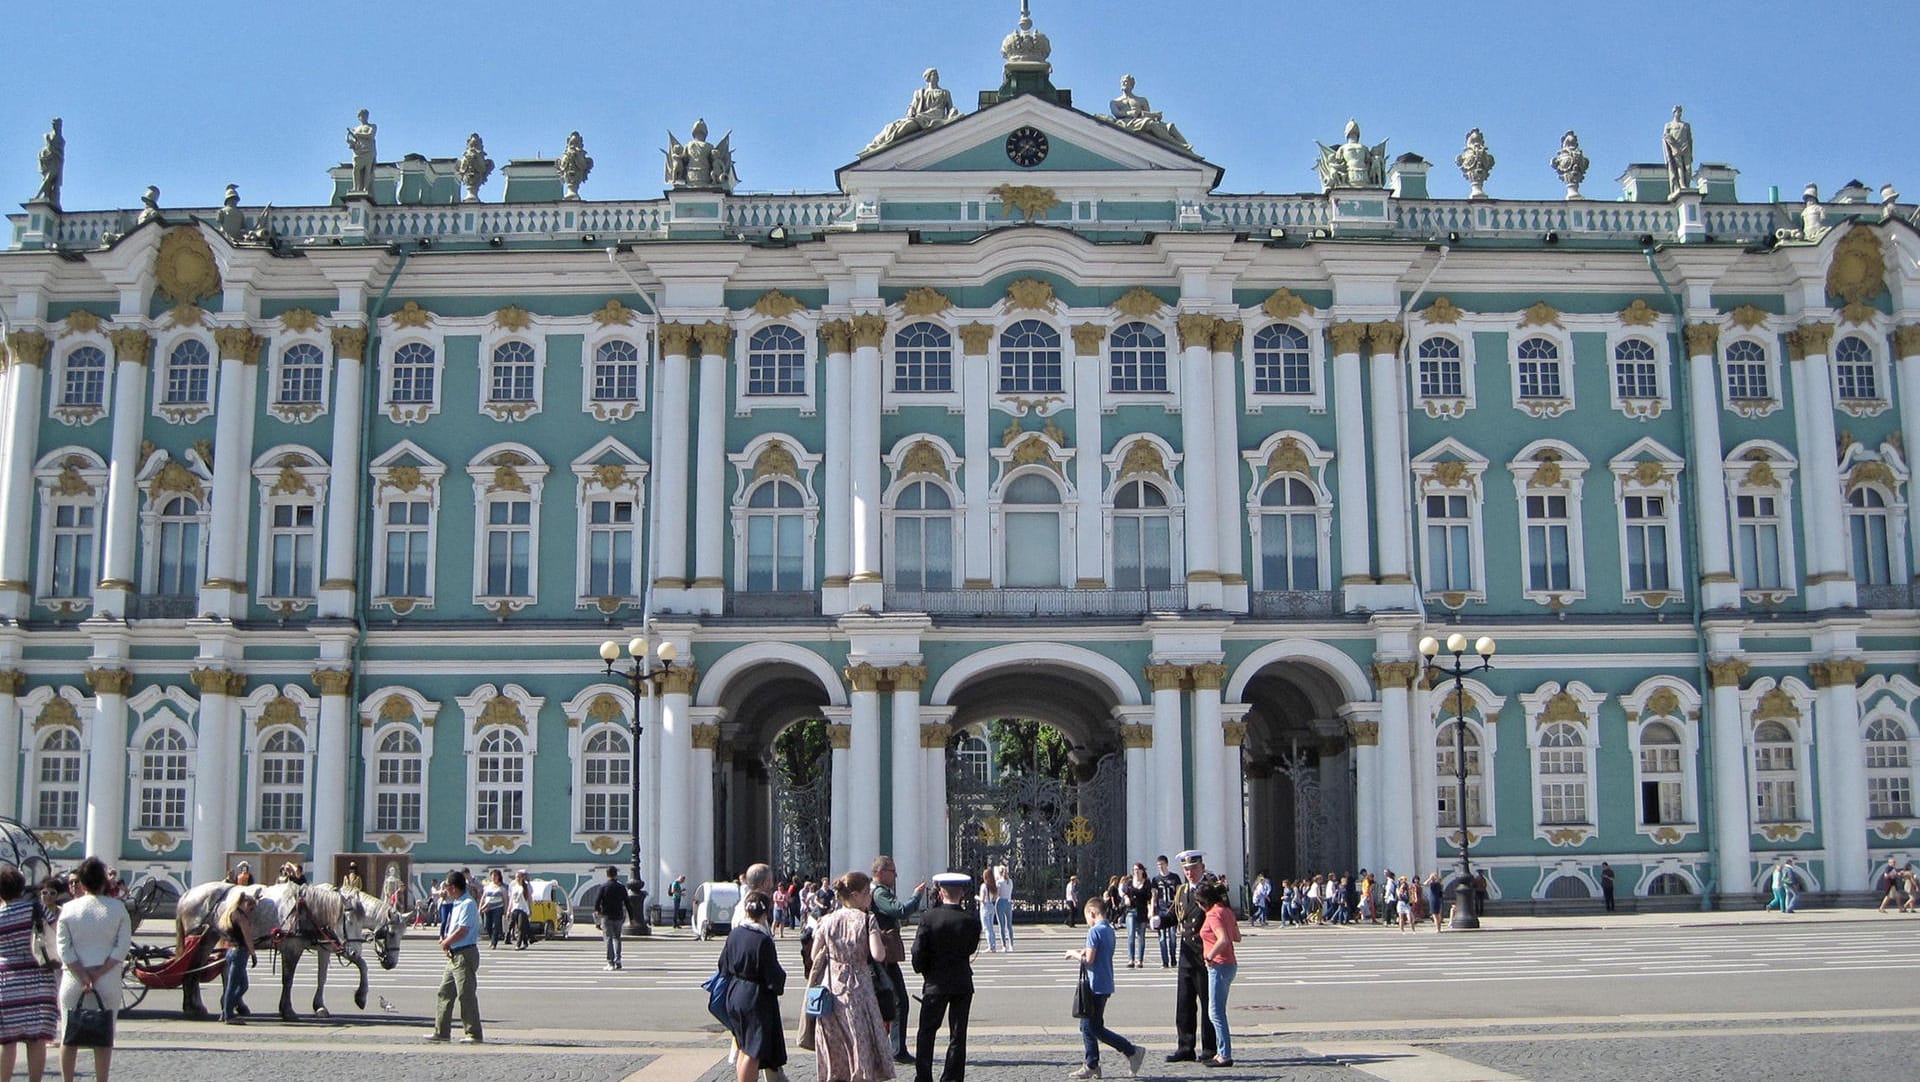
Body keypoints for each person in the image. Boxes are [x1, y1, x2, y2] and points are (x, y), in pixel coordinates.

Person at [807, 871, 894, 1081]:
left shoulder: (827, 920)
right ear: (855, 895)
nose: (869, 897)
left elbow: (813, 954)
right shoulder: (867, 920)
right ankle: (861, 1075)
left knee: (835, 1039)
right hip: (859, 986)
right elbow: (878, 954)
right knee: (860, 1037)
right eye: (866, 893)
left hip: (831, 987)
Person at [54, 858, 129, 1082]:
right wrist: (98, 973)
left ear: (82, 884)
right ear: (104, 882)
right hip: (106, 979)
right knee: (104, 1037)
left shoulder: (68, 909)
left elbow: (63, 948)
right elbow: (121, 947)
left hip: (73, 979)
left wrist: (82, 974)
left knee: (69, 1036)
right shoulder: (118, 908)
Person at [1065, 897, 1145, 1079]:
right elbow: (1099, 952)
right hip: (1106, 982)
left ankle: (1130, 1051)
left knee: (1093, 1028)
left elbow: (1089, 960)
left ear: (1092, 913)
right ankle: (1092, 1063)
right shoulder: (1109, 929)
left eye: (1087, 917)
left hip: (1095, 985)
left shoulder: (1094, 931)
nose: (1086, 921)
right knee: (1088, 1026)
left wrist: (1074, 954)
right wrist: (1085, 950)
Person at [911, 873, 980, 1082]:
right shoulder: (970, 919)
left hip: (935, 983)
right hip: (961, 982)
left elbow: (918, 951)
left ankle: (923, 1077)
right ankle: (952, 1078)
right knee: (958, 1035)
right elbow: (970, 948)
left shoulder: (929, 917)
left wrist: (923, 971)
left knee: (926, 1032)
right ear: (962, 893)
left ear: (941, 892)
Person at [718, 891, 787, 1082]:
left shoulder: (735, 933)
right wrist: (779, 983)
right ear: (766, 913)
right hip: (755, 997)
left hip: (734, 993)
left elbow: (723, 964)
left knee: (742, 1045)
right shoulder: (763, 939)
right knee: (754, 1050)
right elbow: (772, 975)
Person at [0, 864, 57, 1082]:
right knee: (37, 1039)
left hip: (6, 980)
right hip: (38, 976)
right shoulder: (34, 908)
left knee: (7, 1040)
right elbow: (55, 929)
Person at [869, 856, 925, 1065]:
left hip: (882, 955)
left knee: (888, 1001)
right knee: (898, 1001)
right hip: (884, 956)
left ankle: (888, 1048)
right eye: (893, 871)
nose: (896, 876)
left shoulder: (875, 890)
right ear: (881, 872)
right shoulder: (880, 892)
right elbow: (900, 911)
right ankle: (896, 1050)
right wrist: (916, 896)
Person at [1165, 851, 1217, 1064]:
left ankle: (1209, 1048)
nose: (1190, 873)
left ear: (1202, 868)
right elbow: (1174, 915)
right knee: (1184, 1002)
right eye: (1186, 869)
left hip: (1206, 953)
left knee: (1207, 1003)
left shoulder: (1212, 891)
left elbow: (1218, 916)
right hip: (1186, 953)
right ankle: (1185, 1046)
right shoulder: (1181, 891)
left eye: (1193, 869)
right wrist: (1160, 920)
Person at [427, 869, 482, 1044]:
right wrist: (446, 940)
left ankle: (473, 1033)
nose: (445, 890)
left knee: (466, 994)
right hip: (453, 954)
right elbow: (454, 928)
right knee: (444, 992)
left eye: (447, 886)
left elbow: (463, 930)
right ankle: (441, 1031)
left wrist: (447, 941)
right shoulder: (458, 902)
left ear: (453, 887)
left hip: (464, 953)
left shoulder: (467, 904)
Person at [1198, 880, 1241, 1069]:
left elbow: (1223, 939)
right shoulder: (1227, 911)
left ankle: (1224, 1054)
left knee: (1215, 1012)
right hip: (1230, 964)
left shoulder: (1214, 914)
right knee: (1217, 1010)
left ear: (1204, 902)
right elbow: (1237, 937)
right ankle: (1221, 1052)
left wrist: (1210, 955)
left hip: (1219, 965)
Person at [216, 890, 255, 1025]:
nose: (251, 911)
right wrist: (253, 953)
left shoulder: (229, 914)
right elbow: (248, 937)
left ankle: (227, 1009)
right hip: (239, 952)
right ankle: (228, 1015)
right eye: (251, 907)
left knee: (242, 985)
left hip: (231, 951)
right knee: (233, 986)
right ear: (245, 904)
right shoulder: (241, 917)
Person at [596, 866, 629, 971]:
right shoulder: (621, 887)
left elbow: (597, 902)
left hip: (606, 916)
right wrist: (631, 917)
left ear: (607, 875)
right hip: (618, 916)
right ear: (616, 874)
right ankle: (618, 960)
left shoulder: (603, 887)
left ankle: (610, 962)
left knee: (608, 939)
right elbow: (627, 902)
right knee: (617, 938)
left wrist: (598, 911)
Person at [1149, 856, 1179, 968]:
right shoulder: (1155, 880)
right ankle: (1165, 961)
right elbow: (1154, 896)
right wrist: (1152, 911)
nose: (1160, 867)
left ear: (1167, 864)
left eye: (1162, 864)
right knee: (1162, 937)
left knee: (1172, 936)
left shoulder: (1174, 877)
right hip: (1160, 910)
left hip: (1172, 909)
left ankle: (1173, 958)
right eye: (1158, 865)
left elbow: (1178, 893)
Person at [1662, 105, 1694, 194]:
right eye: (1677, 111)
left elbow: (1690, 139)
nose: (1679, 113)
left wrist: (1690, 151)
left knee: (1688, 169)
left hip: (1686, 148)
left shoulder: (1686, 125)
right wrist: (1675, 146)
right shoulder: (1669, 125)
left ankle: (1687, 185)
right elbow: (1666, 137)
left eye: (1680, 112)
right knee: (1679, 167)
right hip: (1675, 149)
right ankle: (1682, 185)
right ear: (1674, 113)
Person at [346, 109, 377, 196]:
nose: (363, 117)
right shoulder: (356, 128)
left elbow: (370, 135)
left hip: (368, 150)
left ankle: (365, 189)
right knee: (355, 169)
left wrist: (357, 134)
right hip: (358, 151)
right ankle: (355, 188)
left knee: (368, 170)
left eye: (365, 115)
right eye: (361, 115)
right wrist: (350, 140)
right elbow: (354, 140)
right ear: (359, 117)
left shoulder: (372, 126)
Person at [479, 869, 506, 949]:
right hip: (487, 908)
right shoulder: (488, 886)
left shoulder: (502, 887)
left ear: (499, 877)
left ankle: (494, 942)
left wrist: (506, 909)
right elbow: (483, 897)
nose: (493, 877)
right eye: (492, 875)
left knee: (495, 925)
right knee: (487, 925)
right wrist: (480, 907)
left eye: (495, 876)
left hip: (498, 908)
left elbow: (505, 899)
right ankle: (492, 939)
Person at [977, 867, 1000, 953]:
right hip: (991, 905)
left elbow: (982, 899)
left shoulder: (984, 886)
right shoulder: (994, 886)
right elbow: (995, 897)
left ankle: (990, 946)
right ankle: (993, 945)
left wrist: (976, 897)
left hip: (985, 906)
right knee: (991, 927)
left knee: (986, 928)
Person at [507, 870, 532, 946]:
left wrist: (530, 909)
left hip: (523, 909)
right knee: (517, 926)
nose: (517, 878)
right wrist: (509, 910)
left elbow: (529, 899)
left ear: (522, 878)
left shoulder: (526, 887)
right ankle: (526, 942)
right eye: (516, 877)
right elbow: (511, 899)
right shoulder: (514, 887)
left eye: (519, 877)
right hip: (515, 909)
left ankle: (518, 944)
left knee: (521, 927)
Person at [992, 866, 1013, 951]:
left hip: (1000, 902)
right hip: (1008, 902)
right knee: (1009, 925)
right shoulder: (1010, 881)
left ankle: (1004, 945)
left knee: (1002, 925)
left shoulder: (999, 882)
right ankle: (1011, 944)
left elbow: (997, 894)